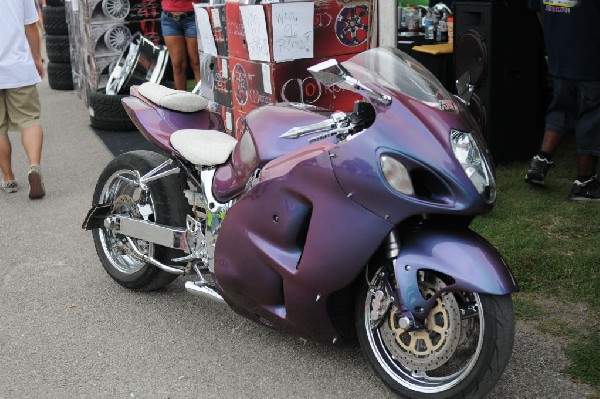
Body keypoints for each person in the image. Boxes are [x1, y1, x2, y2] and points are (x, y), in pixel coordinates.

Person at [525, 0, 600, 201]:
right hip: (591, 60)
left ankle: (539, 164)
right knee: (592, 117)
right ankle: (585, 183)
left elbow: (537, 10)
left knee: (561, 108)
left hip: (559, 57)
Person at [0, 0, 46, 199]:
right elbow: (30, 25)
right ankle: (34, 167)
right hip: (18, 66)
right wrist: (36, 58)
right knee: (30, 119)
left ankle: (8, 177)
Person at [161, 0, 201, 91]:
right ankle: (181, 102)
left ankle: (203, 101)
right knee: (177, 65)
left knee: (197, 62)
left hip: (193, 14)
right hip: (169, 18)